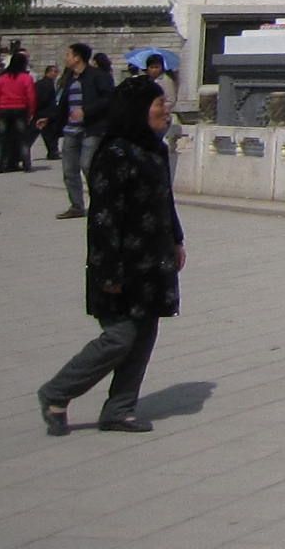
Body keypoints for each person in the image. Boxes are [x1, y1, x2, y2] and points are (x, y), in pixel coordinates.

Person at [38, 76, 185, 435]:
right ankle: (57, 391)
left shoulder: (155, 148)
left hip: (153, 257)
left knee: (145, 332)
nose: (165, 110)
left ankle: (120, 409)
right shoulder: (114, 152)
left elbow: (165, 201)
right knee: (120, 336)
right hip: (120, 260)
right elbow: (104, 219)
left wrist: (176, 240)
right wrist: (109, 272)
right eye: (158, 104)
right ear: (138, 109)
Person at [57, 45, 117, 218]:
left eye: (68, 55)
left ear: (78, 58)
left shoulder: (98, 76)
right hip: (71, 129)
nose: (66, 58)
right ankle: (76, 206)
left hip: (92, 128)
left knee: (88, 165)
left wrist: (86, 111)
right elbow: (63, 104)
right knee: (69, 170)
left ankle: (100, 202)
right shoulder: (68, 78)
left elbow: (108, 98)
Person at [0, 49, 34, 172]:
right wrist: (31, 111)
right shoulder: (26, 78)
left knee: (1, 139)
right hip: (20, 109)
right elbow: (31, 96)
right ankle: (26, 164)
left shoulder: (2, 78)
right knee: (23, 138)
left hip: (3, 109)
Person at [34, 64, 64, 161]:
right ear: (48, 72)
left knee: (48, 134)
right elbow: (44, 98)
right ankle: (53, 151)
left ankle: (52, 151)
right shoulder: (47, 84)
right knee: (51, 133)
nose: (56, 74)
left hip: (43, 111)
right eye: (54, 72)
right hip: (47, 112)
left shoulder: (41, 83)